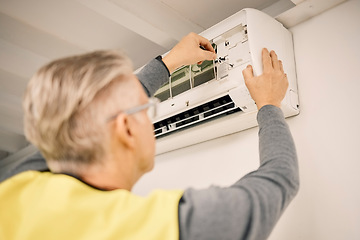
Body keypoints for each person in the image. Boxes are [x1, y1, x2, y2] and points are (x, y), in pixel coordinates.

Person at [0, 33, 299, 240]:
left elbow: (78, 123)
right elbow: (279, 181)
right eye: (146, 110)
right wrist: (270, 104)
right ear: (127, 129)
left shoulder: (15, 188)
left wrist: (169, 63)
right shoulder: (163, 227)